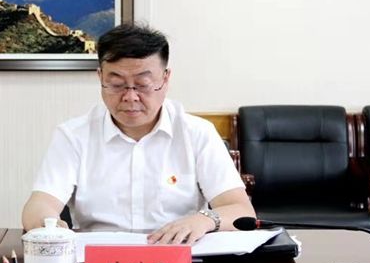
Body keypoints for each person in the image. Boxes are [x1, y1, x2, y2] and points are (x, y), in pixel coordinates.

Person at [22, 23, 255, 244]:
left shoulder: (197, 134)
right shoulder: (73, 136)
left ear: (165, 79)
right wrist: (49, 226)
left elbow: (240, 210)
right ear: (100, 77)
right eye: (117, 84)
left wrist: (204, 220)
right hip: (100, 260)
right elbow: (39, 206)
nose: (130, 97)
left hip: (178, 258)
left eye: (143, 85)